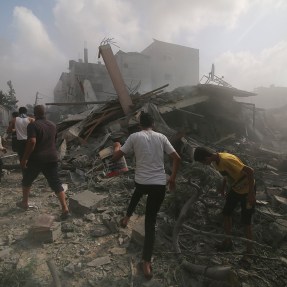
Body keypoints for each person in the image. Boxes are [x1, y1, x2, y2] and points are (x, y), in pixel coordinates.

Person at [112, 112, 181, 279]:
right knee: (150, 222)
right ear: (153, 124)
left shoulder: (134, 137)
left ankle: (127, 217)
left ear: (139, 124)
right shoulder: (162, 137)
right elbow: (177, 158)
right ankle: (146, 262)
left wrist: (116, 145)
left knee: (138, 191)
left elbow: (116, 157)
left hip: (142, 182)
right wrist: (172, 178)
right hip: (159, 185)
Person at [193, 146, 256, 255]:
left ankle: (249, 251)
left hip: (247, 190)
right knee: (226, 213)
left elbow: (250, 171)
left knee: (246, 222)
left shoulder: (226, 160)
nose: (204, 164)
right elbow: (226, 175)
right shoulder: (215, 161)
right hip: (236, 189)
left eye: (203, 162)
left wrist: (251, 194)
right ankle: (228, 241)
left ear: (207, 157)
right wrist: (223, 186)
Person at [16, 105, 69, 220]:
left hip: (37, 159)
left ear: (34, 113)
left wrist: (24, 158)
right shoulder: (53, 125)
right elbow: (53, 141)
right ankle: (64, 208)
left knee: (27, 180)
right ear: (45, 113)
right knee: (56, 183)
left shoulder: (33, 125)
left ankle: (24, 203)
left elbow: (32, 141)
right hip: (52, 157)